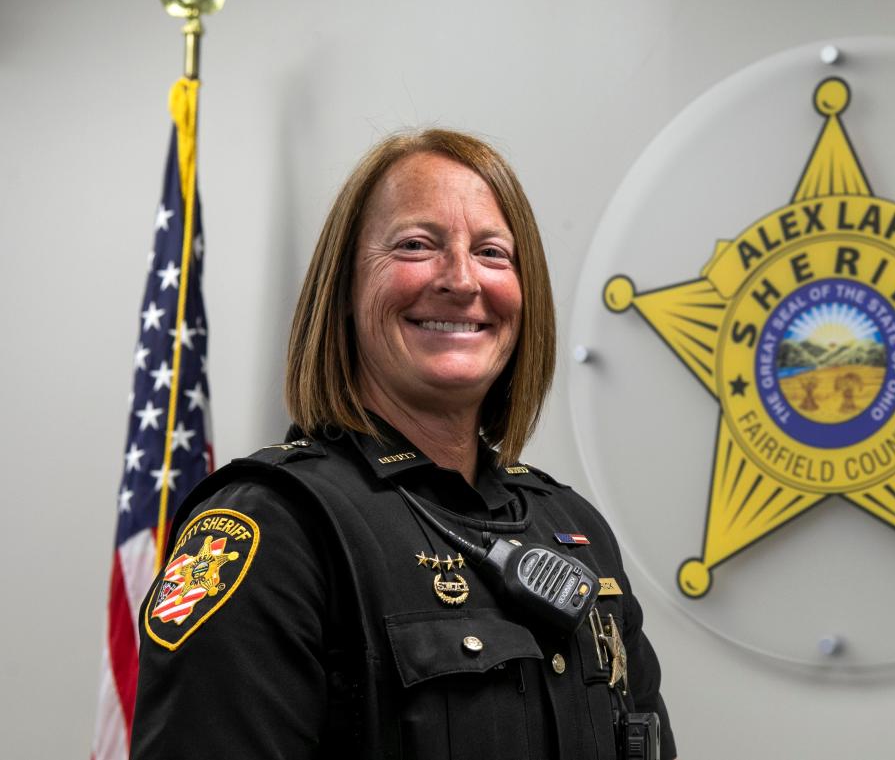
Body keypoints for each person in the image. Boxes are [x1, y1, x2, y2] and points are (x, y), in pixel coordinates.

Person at [130, 129, 677, 759]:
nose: (461, 279)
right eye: (417, 245)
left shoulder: (574, 530)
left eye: (494, 253)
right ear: (345, 291)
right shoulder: (274, 527)